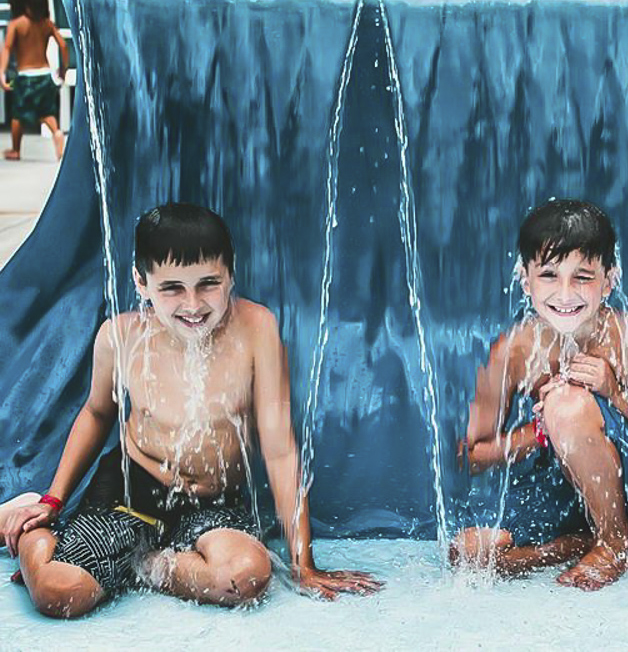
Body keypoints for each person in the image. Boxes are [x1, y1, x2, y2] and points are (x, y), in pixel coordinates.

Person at [0, 203, 382, 618]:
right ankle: (34, 538)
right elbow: (96, 415)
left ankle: (140, 563)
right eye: (172, 288)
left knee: (247, 577)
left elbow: (280, 449)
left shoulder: (257, 329)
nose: (193, 304)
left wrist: (304, 564)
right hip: (131, 492)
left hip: (215, 501)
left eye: (208, 283)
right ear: (141, 282)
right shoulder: (121, 336)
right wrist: (55, 499)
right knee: (62, 594)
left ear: (230, 275)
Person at [450, 198, 628, 591]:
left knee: (567, 402)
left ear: (609, 280)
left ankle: (614, 541)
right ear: (525, 280)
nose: (565, 294)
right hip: (555, 488)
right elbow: (472, 455)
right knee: (466, 552)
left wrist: (616, 396)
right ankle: (583, 543)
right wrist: (540, 430)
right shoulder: (513, 350)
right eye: (549, 275)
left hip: (624, 483)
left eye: (582, 276)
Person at [0, 0, 68, 161]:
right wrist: (63, 69)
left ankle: (16, 149)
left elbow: (6, 49)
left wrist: (1, 72)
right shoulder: (46, 23)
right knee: (47, 113)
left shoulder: (17, 24)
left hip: (25, 77)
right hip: (45, 75)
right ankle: (57, 133)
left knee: (18, 115)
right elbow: (63, 45)